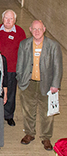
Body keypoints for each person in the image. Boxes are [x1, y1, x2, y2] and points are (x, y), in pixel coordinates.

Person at [16, 20, 63, 151]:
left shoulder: (53, 45)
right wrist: (20, 79)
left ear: (44, 29)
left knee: (47, 113)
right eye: (34, 29)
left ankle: (46, 137)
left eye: (39, 29)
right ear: (30, 29)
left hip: (47, 85)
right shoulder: (24, 44)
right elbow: (19, 64)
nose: (37, 31)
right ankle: (29, 134)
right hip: (28, 83)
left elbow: (58, 67)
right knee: (28, 111)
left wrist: (55, 84)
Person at [0, 9, 26, 126]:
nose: (8, 20)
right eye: (6, 18)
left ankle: (8, 115)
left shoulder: (20, 32)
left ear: (15, 20)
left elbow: (23, 51)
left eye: (11, 18)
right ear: (2, 19)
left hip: (12, 69)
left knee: (10, 92)